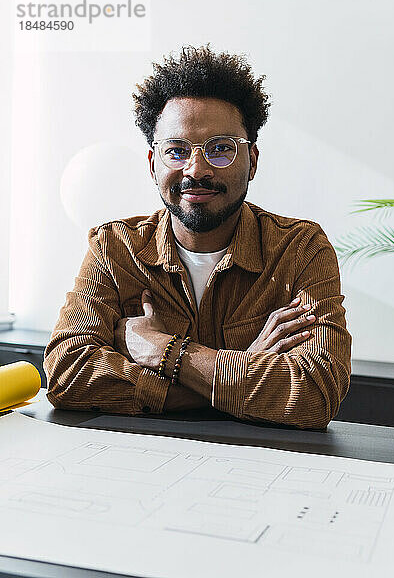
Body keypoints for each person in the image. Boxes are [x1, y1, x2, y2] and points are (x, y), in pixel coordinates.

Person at [43, 45, 352, 429]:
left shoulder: (299, 250)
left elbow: (313, 395)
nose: (196, 169)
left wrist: (163, 351)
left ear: (252, 161)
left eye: (220, 150)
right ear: (154, 164)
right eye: (177, 151)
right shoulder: (115, 248)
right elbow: (67, 376)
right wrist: (237, 372)